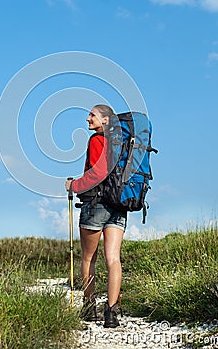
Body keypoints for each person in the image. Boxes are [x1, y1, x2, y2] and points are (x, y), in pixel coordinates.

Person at [65, 104, 127, 328]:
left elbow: (98, 173)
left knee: (88, 257)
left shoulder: (96, 141)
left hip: (97, 204)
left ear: (106, 121)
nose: (87, 119)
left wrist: (74, 185)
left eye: (92, 115)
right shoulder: (122, 144)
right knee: (113, 259)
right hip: (119, 205)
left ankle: (89, 307)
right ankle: (111, 313)